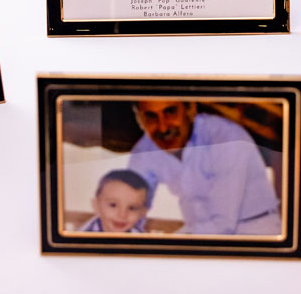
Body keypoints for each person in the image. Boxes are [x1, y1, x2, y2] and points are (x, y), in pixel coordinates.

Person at [126, 100, 280, 235]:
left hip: (255, 232)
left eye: (171, 112)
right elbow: (127, 204)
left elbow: (223, 225)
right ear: (140, 120)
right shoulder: (144, 150)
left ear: (190, 109)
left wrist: (173, 239)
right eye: (151, 117)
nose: (163, 127)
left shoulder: (225, 137)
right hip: (199, 235)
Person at [78, 169, 149, 233]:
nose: (122, 215)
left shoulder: (141, 237)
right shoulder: (81, 236)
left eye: (132, 208)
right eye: (113, 205)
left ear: (143, 212)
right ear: (96, 205)